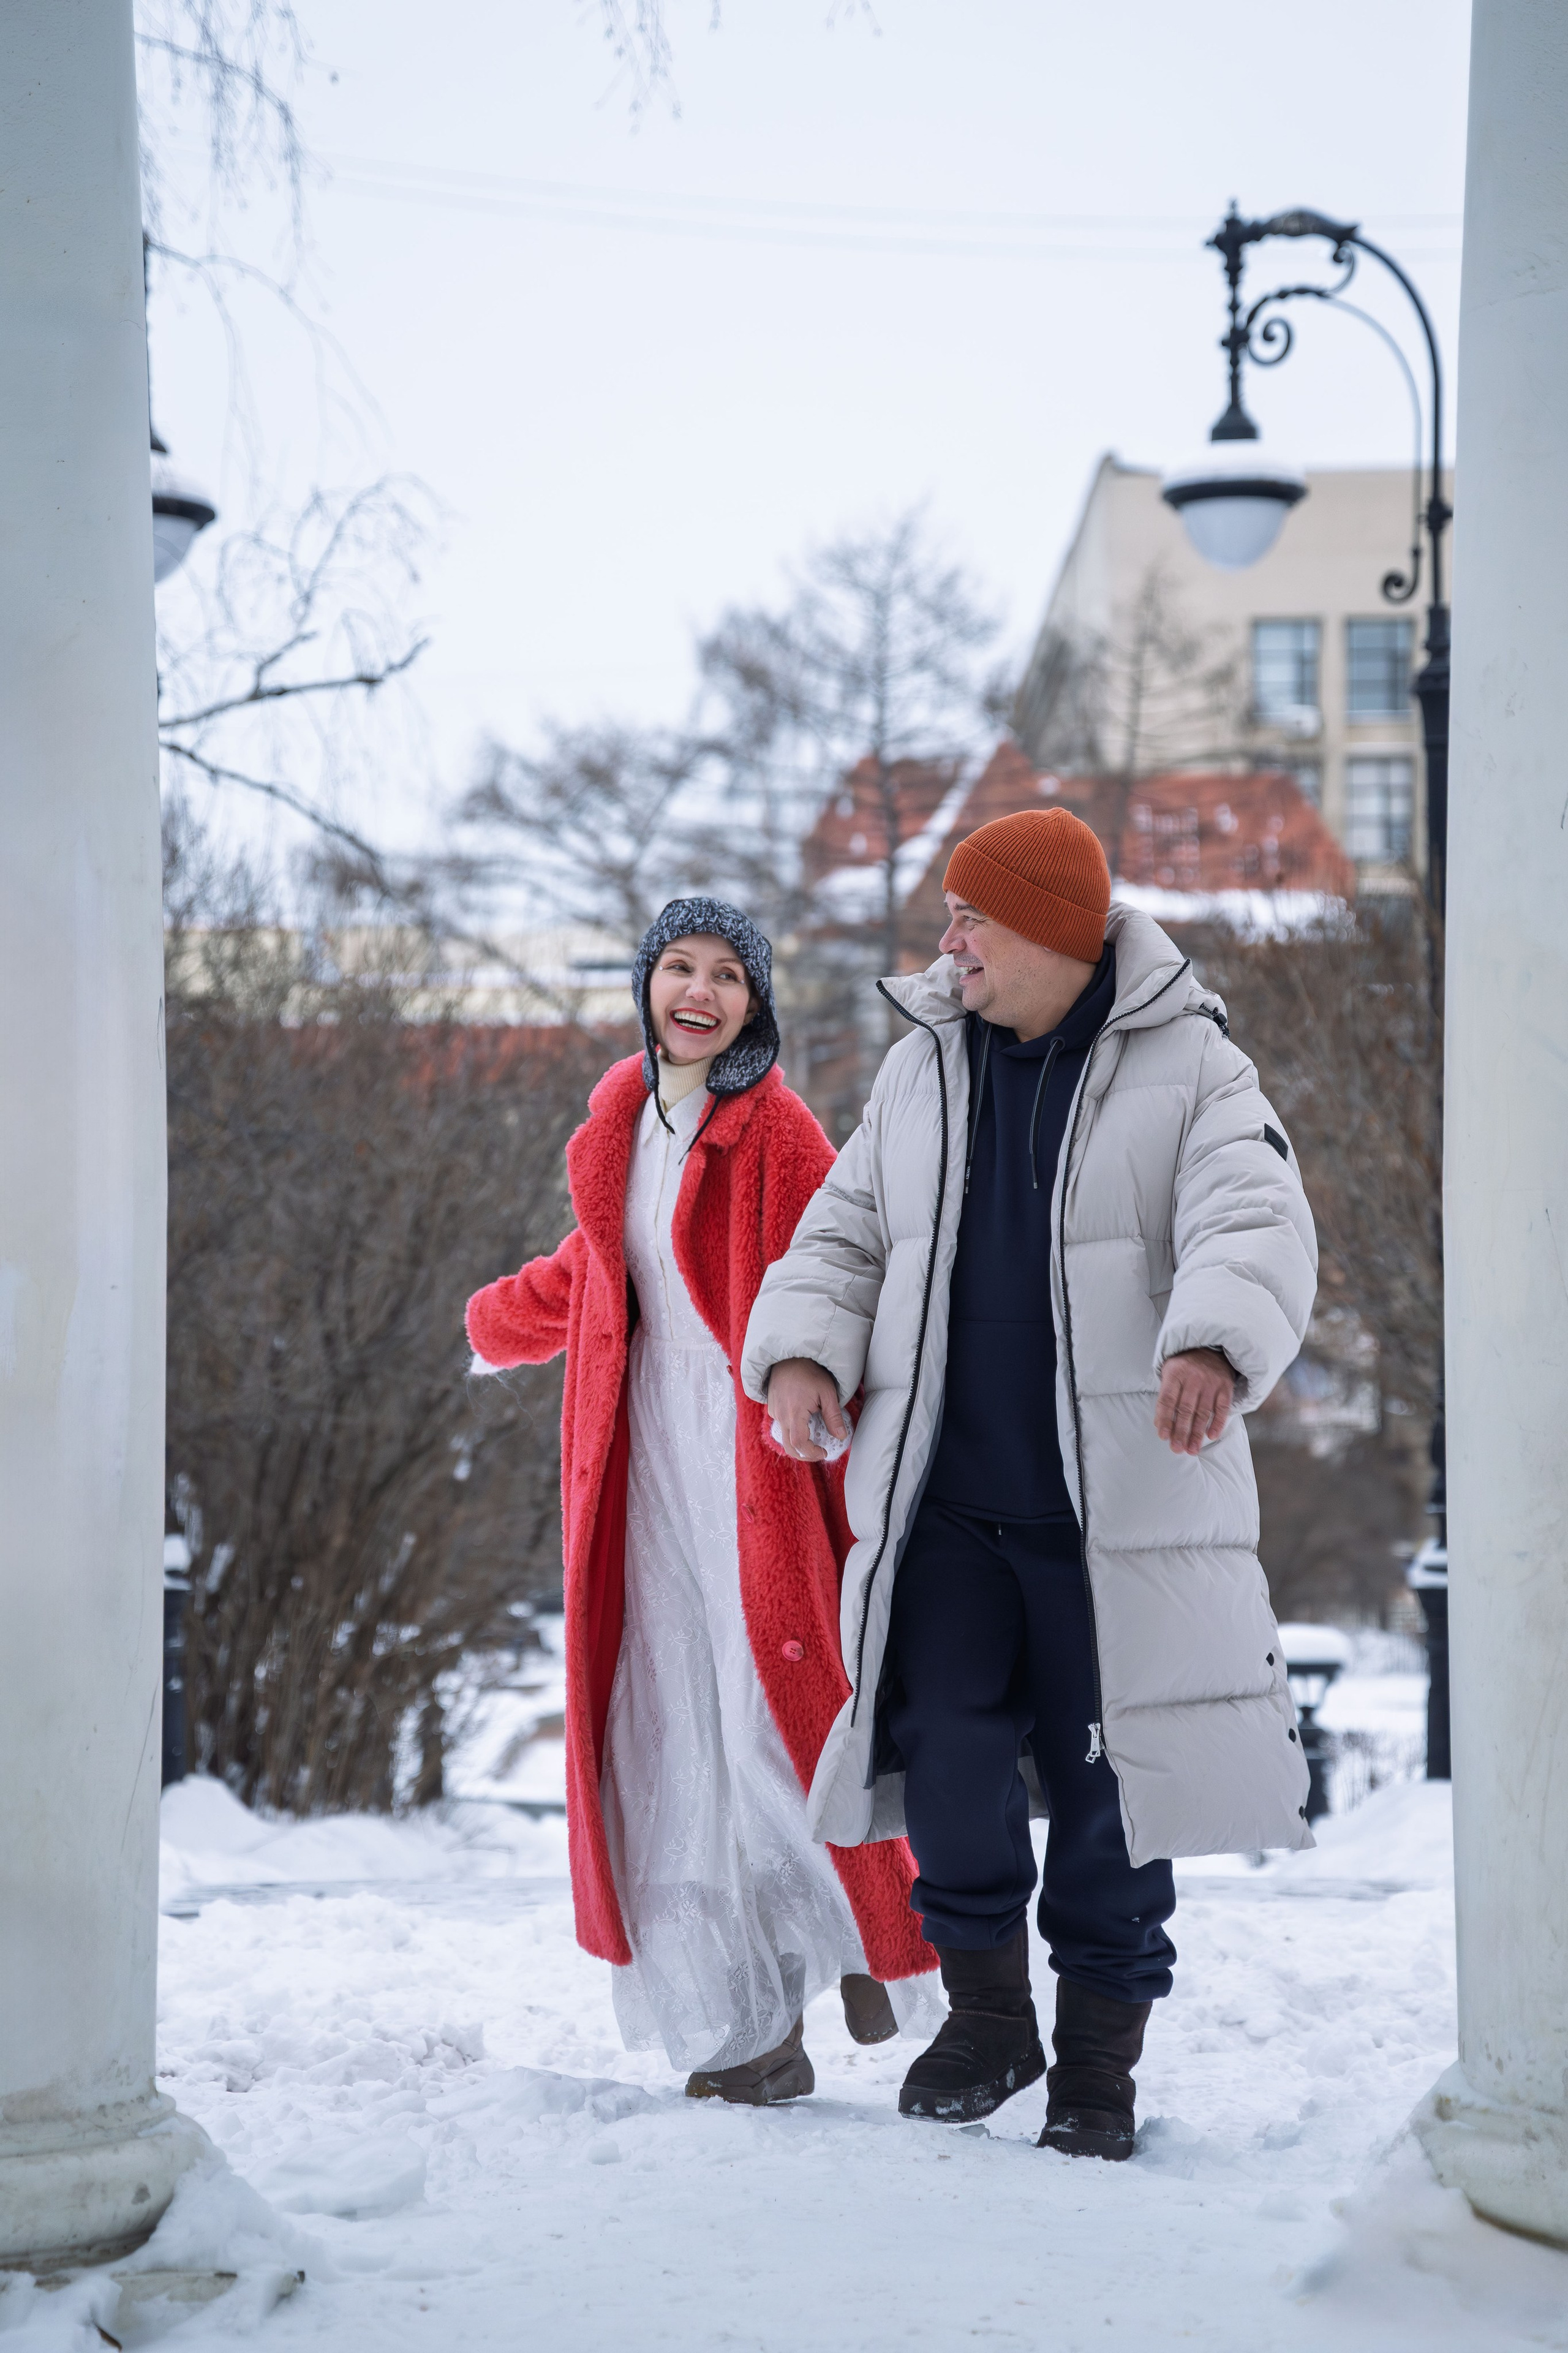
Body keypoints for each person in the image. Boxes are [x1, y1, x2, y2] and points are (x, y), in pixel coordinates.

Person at [742, 808, 1317, 2158]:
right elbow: (844, 1231)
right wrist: (802, 1355)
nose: (947, 942)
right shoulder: (920, 1065)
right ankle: (991, 2017)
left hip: (1115, 1510)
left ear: (1052, 931)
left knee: (1114, 1783)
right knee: (940, 1744)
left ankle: (1097, 2063)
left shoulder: (1194, 1066)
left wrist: (1212, 1342)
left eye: (970, 918)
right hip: (944, 1500)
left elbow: (1252, 1213)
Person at [466, 897, 933, 2104]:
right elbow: (595, 1266)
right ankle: (746, 2033)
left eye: (727, 973)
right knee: (669, 1728)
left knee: (768, 1716)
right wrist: (498, 1321)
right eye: (680, 965)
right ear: (647, 983)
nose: (700, 989)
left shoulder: (774, 1129)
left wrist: (818, 1383)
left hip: (753, 1464)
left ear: (753, 1001)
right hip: (644, 1470)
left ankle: (855, 1933)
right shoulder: (619, 1118)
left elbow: (848, 1256)